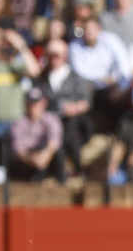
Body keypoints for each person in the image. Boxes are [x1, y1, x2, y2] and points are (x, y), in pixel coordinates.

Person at [38, 38, 94, 182]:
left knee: (69, 130)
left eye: (56, 55)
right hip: (49, 119)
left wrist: (75, 108)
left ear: (65, 56)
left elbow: (86, 101)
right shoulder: (42, 77)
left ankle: (75, 168)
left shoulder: (75, 77)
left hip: (72, 119)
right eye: (50, 55)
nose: (53, 59)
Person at [9, 87, 63, 180]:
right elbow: (17, 149)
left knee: (59, 153)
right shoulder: (18, 122)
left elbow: (54, 140)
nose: (33, 108)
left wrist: (46, 155)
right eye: (31, 104)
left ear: (44, 104)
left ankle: (61, 182)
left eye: (37, 104)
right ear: (26, 104)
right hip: (26, 158)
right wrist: (30, 158)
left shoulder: (51, 119)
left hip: (46, 155)